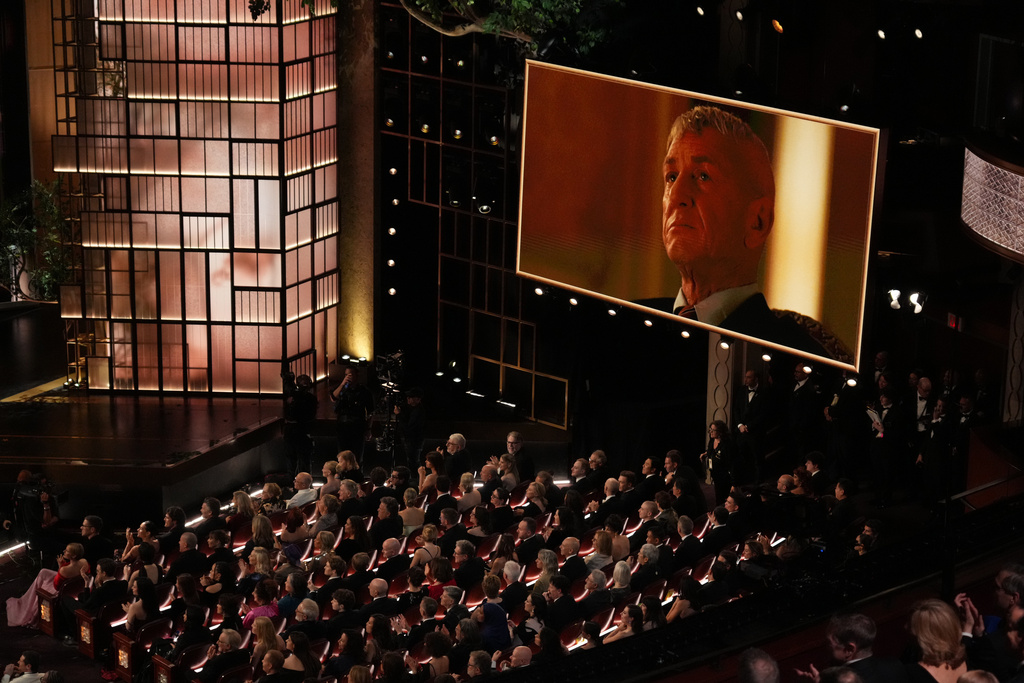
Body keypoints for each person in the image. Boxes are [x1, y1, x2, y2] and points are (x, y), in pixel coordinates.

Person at [643, 105, 847, 361]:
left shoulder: (793, 358)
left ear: (757, 222)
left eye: (703, 176)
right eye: (671, 177)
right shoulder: (624, 320)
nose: (676, 195)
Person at [7, 542, 89, 628]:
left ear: (74, 556)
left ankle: (29, 603)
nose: (64, 551)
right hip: (74, 585)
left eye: (67, 551)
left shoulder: (64, 570)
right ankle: (30, 595)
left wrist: (61, 565)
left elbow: (56, 585)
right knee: (43, 572)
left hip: (63, 590)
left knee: (42, 584)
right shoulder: (84, 562)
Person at [332, 366, 374, 457]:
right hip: (342, 427)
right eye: (346, 375)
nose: (348, 377)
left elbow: (371, 412)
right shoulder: (342, 389)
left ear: (356, 375)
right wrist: (343, 384)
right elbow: (333, 397)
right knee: (342, 455)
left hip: (357, 427)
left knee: (357, 455)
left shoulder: (364, 391)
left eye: (350, 375)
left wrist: (368, 429)